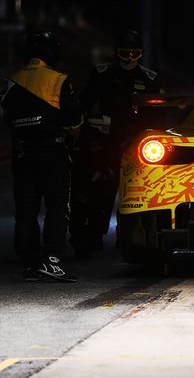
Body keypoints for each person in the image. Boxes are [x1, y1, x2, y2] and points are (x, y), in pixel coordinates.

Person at [0, 30, 84, 282]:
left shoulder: (9, 82)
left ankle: (30, 264)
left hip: (23, 155)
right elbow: (74, 122)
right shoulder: (59, 80)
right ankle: (52, 261)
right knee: (57, 207)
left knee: (25, 210)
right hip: (53, 153)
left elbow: (7, 119)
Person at [70, 29, 162, 258]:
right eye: (125, 52)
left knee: (136, 194)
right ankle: (92, 237)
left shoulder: (150, 79)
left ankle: (129, 238)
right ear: (116, 52)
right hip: (106, 142)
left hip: (137, 145)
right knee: (101, 192)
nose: (130, 57)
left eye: (135, 52)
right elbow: (83, 102)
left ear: (141, 53)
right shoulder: (101, 74)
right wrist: (88, 128)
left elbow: (159, 115)